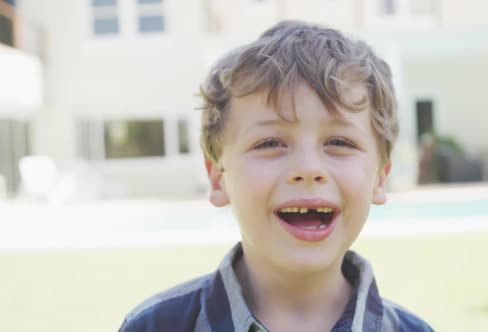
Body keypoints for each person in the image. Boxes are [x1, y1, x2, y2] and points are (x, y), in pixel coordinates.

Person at [119, 20, 434, 332]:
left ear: (380, 177)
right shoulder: (152, 326)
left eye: (339, 142)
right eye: (270, 143)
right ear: (218, 179)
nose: (308, 169)